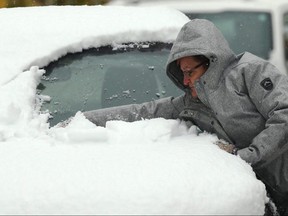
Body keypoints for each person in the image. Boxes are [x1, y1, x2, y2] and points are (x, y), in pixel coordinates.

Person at [78, 19, 288, 214]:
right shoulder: (190, 104)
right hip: (260, 200)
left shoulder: (250, 72)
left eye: (190, 72)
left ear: (211, 62)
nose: (185, 81)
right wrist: (83, 119)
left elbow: (285, 113)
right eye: (182, 73)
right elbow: (145, 110)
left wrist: (247, 156)